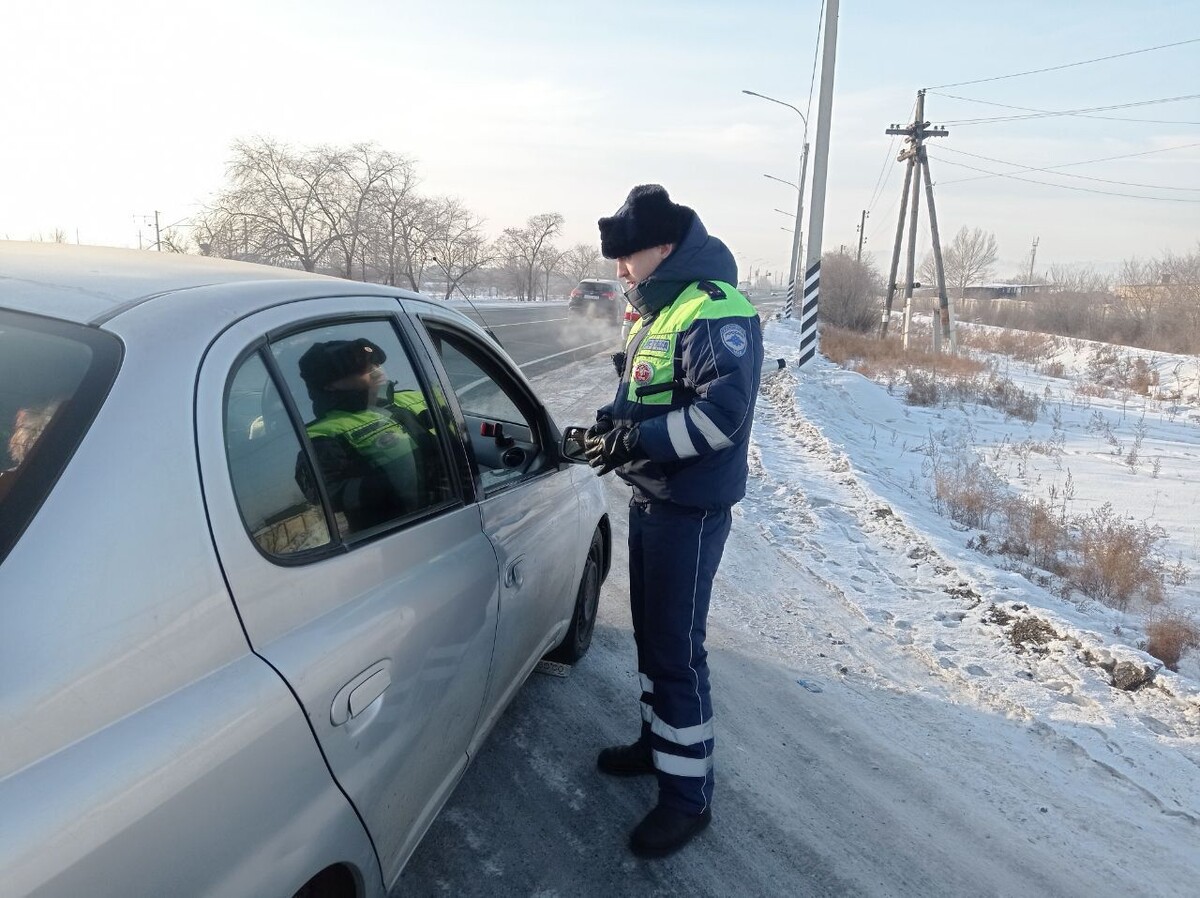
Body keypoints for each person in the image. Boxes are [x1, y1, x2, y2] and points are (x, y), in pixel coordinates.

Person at [585, 184, 764, 858]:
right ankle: (658, 746)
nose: (620, 270)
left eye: (627, 256)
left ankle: (688, 800)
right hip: (654, 495)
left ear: (664, 247)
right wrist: (613, 426)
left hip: (688, 507)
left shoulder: (715, 309)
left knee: (676, 651)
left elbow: (722, 417)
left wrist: (640, 442)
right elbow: (646, 390)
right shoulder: (659, 309)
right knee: (652, 637)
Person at [296, 338, 439, 533]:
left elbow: (461, 426)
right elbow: (326, 493)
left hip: (454, 508)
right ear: (330, 385)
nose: (375, 369)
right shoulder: (322, 434)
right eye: (360, 367)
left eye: (376, 361)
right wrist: (392, 480)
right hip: (400, 532)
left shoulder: (413, 397)